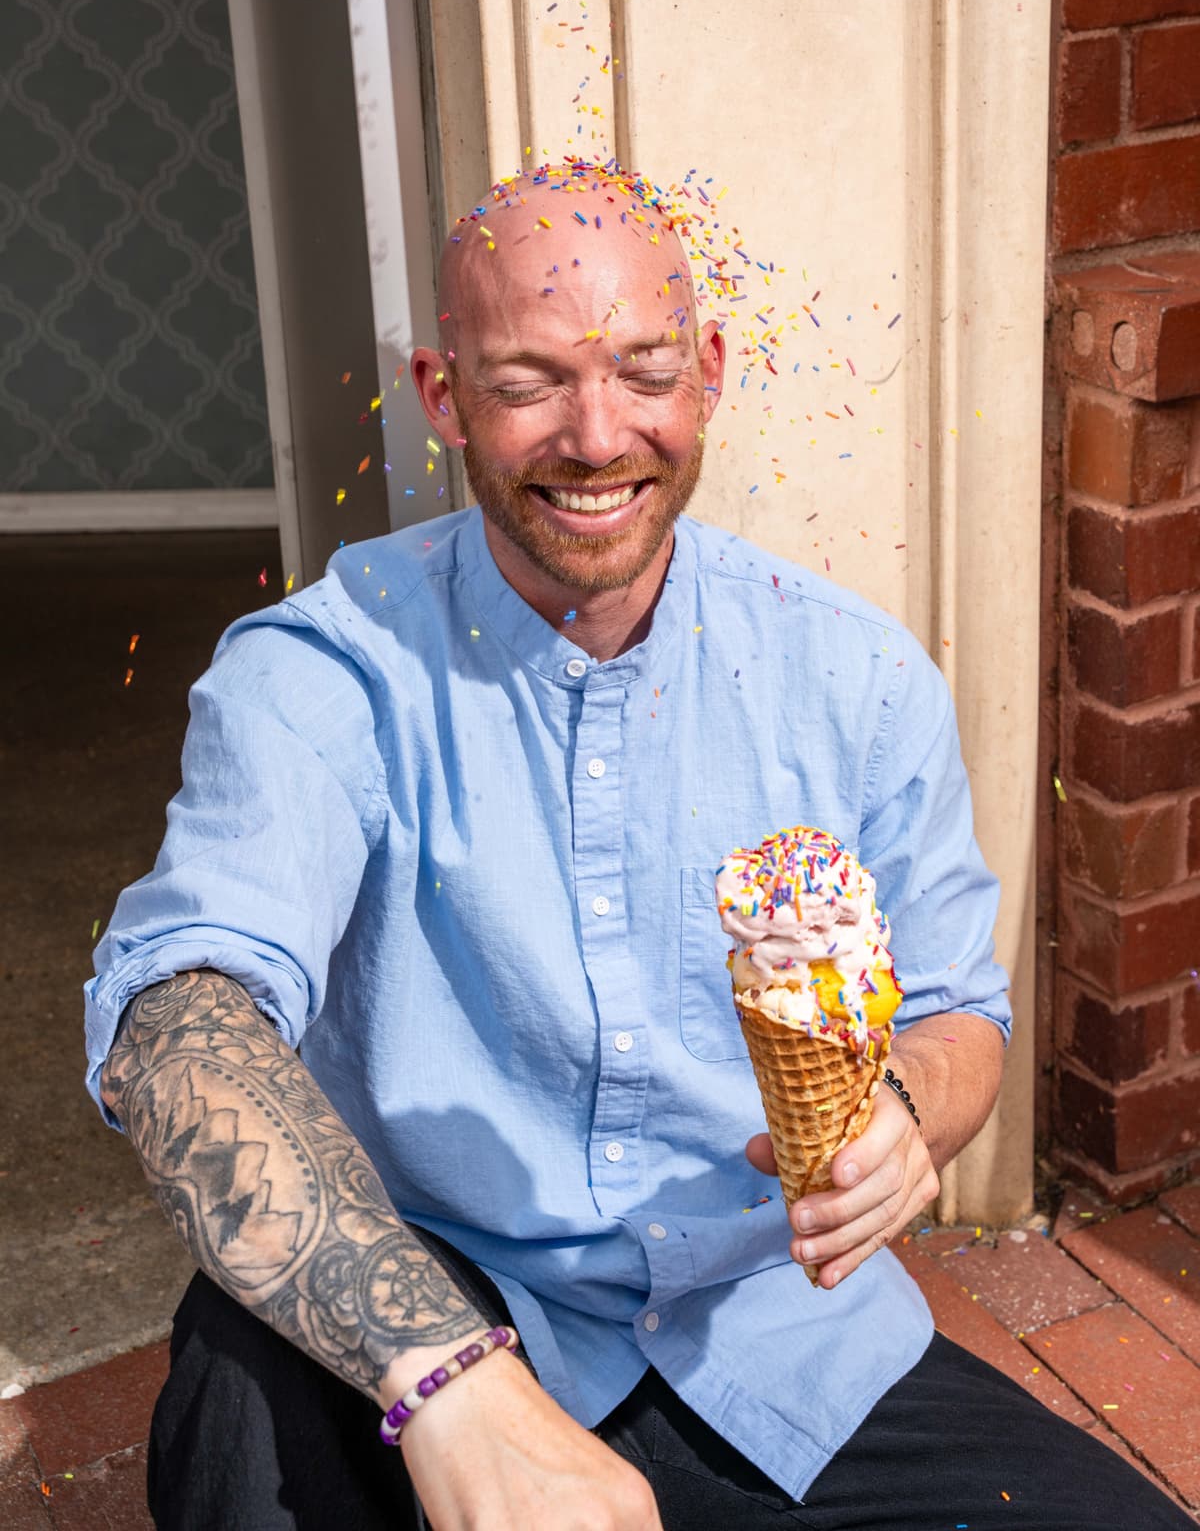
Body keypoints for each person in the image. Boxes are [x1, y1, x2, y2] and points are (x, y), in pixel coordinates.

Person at [86, 163, 1189, 1529]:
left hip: (774, 1335)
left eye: (645, 369)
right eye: (528, 379)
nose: (598, 435)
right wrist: (448, 1386)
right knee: (237, 1411)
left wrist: (909, 1113)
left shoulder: (855, 676)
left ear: (711, 371)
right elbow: (180, 1019)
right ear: (444, 398)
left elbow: (960, 1009)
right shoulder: (325, 670)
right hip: (430, 1307)